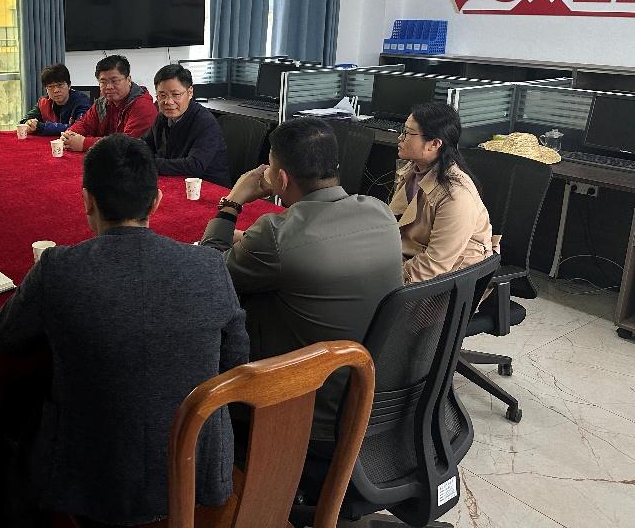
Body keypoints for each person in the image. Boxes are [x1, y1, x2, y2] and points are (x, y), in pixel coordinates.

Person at [0, 134, 248, 525]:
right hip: (197, 477)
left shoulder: (58, 268)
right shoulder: (209, 267)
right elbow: (236, 362)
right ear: (156, 201)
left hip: (93, 485)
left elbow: (3, 337)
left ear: (87, 201)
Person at [200, 117, 402, 444]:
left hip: (302, 406)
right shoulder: (381, 213)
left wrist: (232, 202)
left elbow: (210, 274)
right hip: (371, 390)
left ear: (280, 179)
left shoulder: (275, 234)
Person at [390, 102, 494, 285]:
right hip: (413, 262)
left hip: (453, 280)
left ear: (434, 144)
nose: (400, 137)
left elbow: (435, 265)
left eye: (407, 133)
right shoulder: (412, 171)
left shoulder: (457, 194)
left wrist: (386, 281)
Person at [143, 63, 230, 186]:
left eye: (176, 95)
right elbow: (146, 144)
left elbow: (194, 166)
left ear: (190, 92)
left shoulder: (205, 123)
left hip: (208, 188)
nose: (168, 102)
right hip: (175, 181)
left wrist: (148, 163)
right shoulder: (162, 117)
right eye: (162, 95)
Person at [60, 55, 157, 152]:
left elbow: (128, 144)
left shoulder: (142, 106)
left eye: (114, 81)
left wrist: (84, 143)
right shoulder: (102, 102)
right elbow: (84, 124)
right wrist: (69, 134)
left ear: (128, 80)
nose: (109, 87)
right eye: (103, 82)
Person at [20, 63, 90, 137]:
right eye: (50, 86)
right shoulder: (43, 102)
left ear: (69, 85)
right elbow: (24, 120)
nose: (56, 90)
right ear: (46, 89)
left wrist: (42, 127)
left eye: (60, 85)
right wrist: (29, 123)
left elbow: (80, 128)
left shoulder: (82, 102)